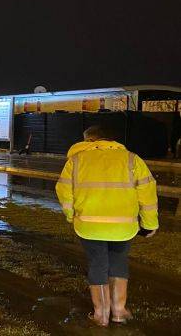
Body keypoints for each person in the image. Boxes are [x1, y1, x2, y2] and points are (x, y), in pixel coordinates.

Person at [56, 125, 158, 327]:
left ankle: (101, 314)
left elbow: (64, 191)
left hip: (89, 225)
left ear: (90, 141)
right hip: (123, 226)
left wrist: (71, 215)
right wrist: (149, 224)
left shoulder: (76, 161)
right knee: (119, 261)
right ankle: (119, 311)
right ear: (113, 141)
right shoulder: (132, 159)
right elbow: (147, 194)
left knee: (97, 263)